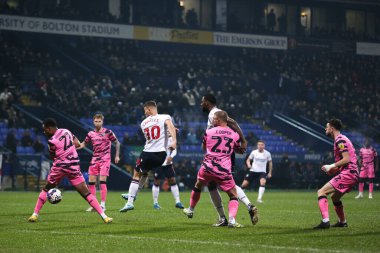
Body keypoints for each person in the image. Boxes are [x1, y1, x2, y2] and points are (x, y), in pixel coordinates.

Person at [28, 118, 112, 223]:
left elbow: (53, 156)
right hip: (73, 167)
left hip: (60, 168)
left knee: (46, 189)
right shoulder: (66, 131)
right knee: (86, 193)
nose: (44, 132)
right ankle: (105, 217)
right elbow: (77, 143)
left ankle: (35, 214)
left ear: (49, 129)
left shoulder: (51, 141)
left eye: (45, 130)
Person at [201, 94, 258, 226]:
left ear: (208, 103)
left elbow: (232, 122)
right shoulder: (214, 114)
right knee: (215, 184)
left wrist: (243, 140)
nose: (201, 104)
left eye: (202, 102)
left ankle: (225, 218)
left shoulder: (214, 113)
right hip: (222, 154)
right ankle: (247, 207)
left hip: (220, 155)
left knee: (223, 186)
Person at [183, 111, 245, 228]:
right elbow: (238, 149)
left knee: (198, 185)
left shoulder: (209, 131)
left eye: (213, 119)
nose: (212, 121)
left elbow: (204, 147)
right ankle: (232, 221)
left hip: (207, 167)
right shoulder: (234, 134)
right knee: (233, 195)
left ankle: (191, 209)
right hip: (223, 169)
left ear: (218, 120)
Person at [119, 101, 177, 212]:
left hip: (148, 152)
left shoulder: (143, 123)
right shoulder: (165, 117)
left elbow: (154, 136)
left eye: (145, 110)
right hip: (161, 155)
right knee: (145, 173)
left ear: (149, 109)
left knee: (137, 174)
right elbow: (170, 127)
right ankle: (133, 194)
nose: (144, 112)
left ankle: (130, 201)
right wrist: (174, 140)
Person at [314, 118, 358, 229]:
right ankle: (342, 222)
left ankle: (325, 222)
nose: (325, 128)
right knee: (335, 198)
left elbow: (347, 159)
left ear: (332, 128)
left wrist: (331, 165)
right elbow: (346, 161)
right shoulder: (341, 139)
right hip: (352, 173)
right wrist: (333, 169)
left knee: (321, 192)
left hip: (349, 173)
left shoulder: (340, 140)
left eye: (327, 127)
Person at [121, 135, 184, 210]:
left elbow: (174, 149)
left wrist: (171, 156)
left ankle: (178, 201)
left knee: (173, 180)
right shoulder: (159, 136)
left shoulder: (171, 138)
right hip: (158, 162)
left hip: (167, 163)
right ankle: (155, 202)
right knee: (155, 180)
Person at [78, 113, 120, 211]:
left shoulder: (108, 132)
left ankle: (103, 205)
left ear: (102, 121)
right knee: (91, 182)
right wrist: (74, 147)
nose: (97, 123)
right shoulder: (90, 134)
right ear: (93, 122)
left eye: (99, 121)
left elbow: (117, 142)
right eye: (96, 121)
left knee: (102, 181)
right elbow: (83, 144)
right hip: (95, 159)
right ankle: (94, 204)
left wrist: (117, 155)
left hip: (105, 159)